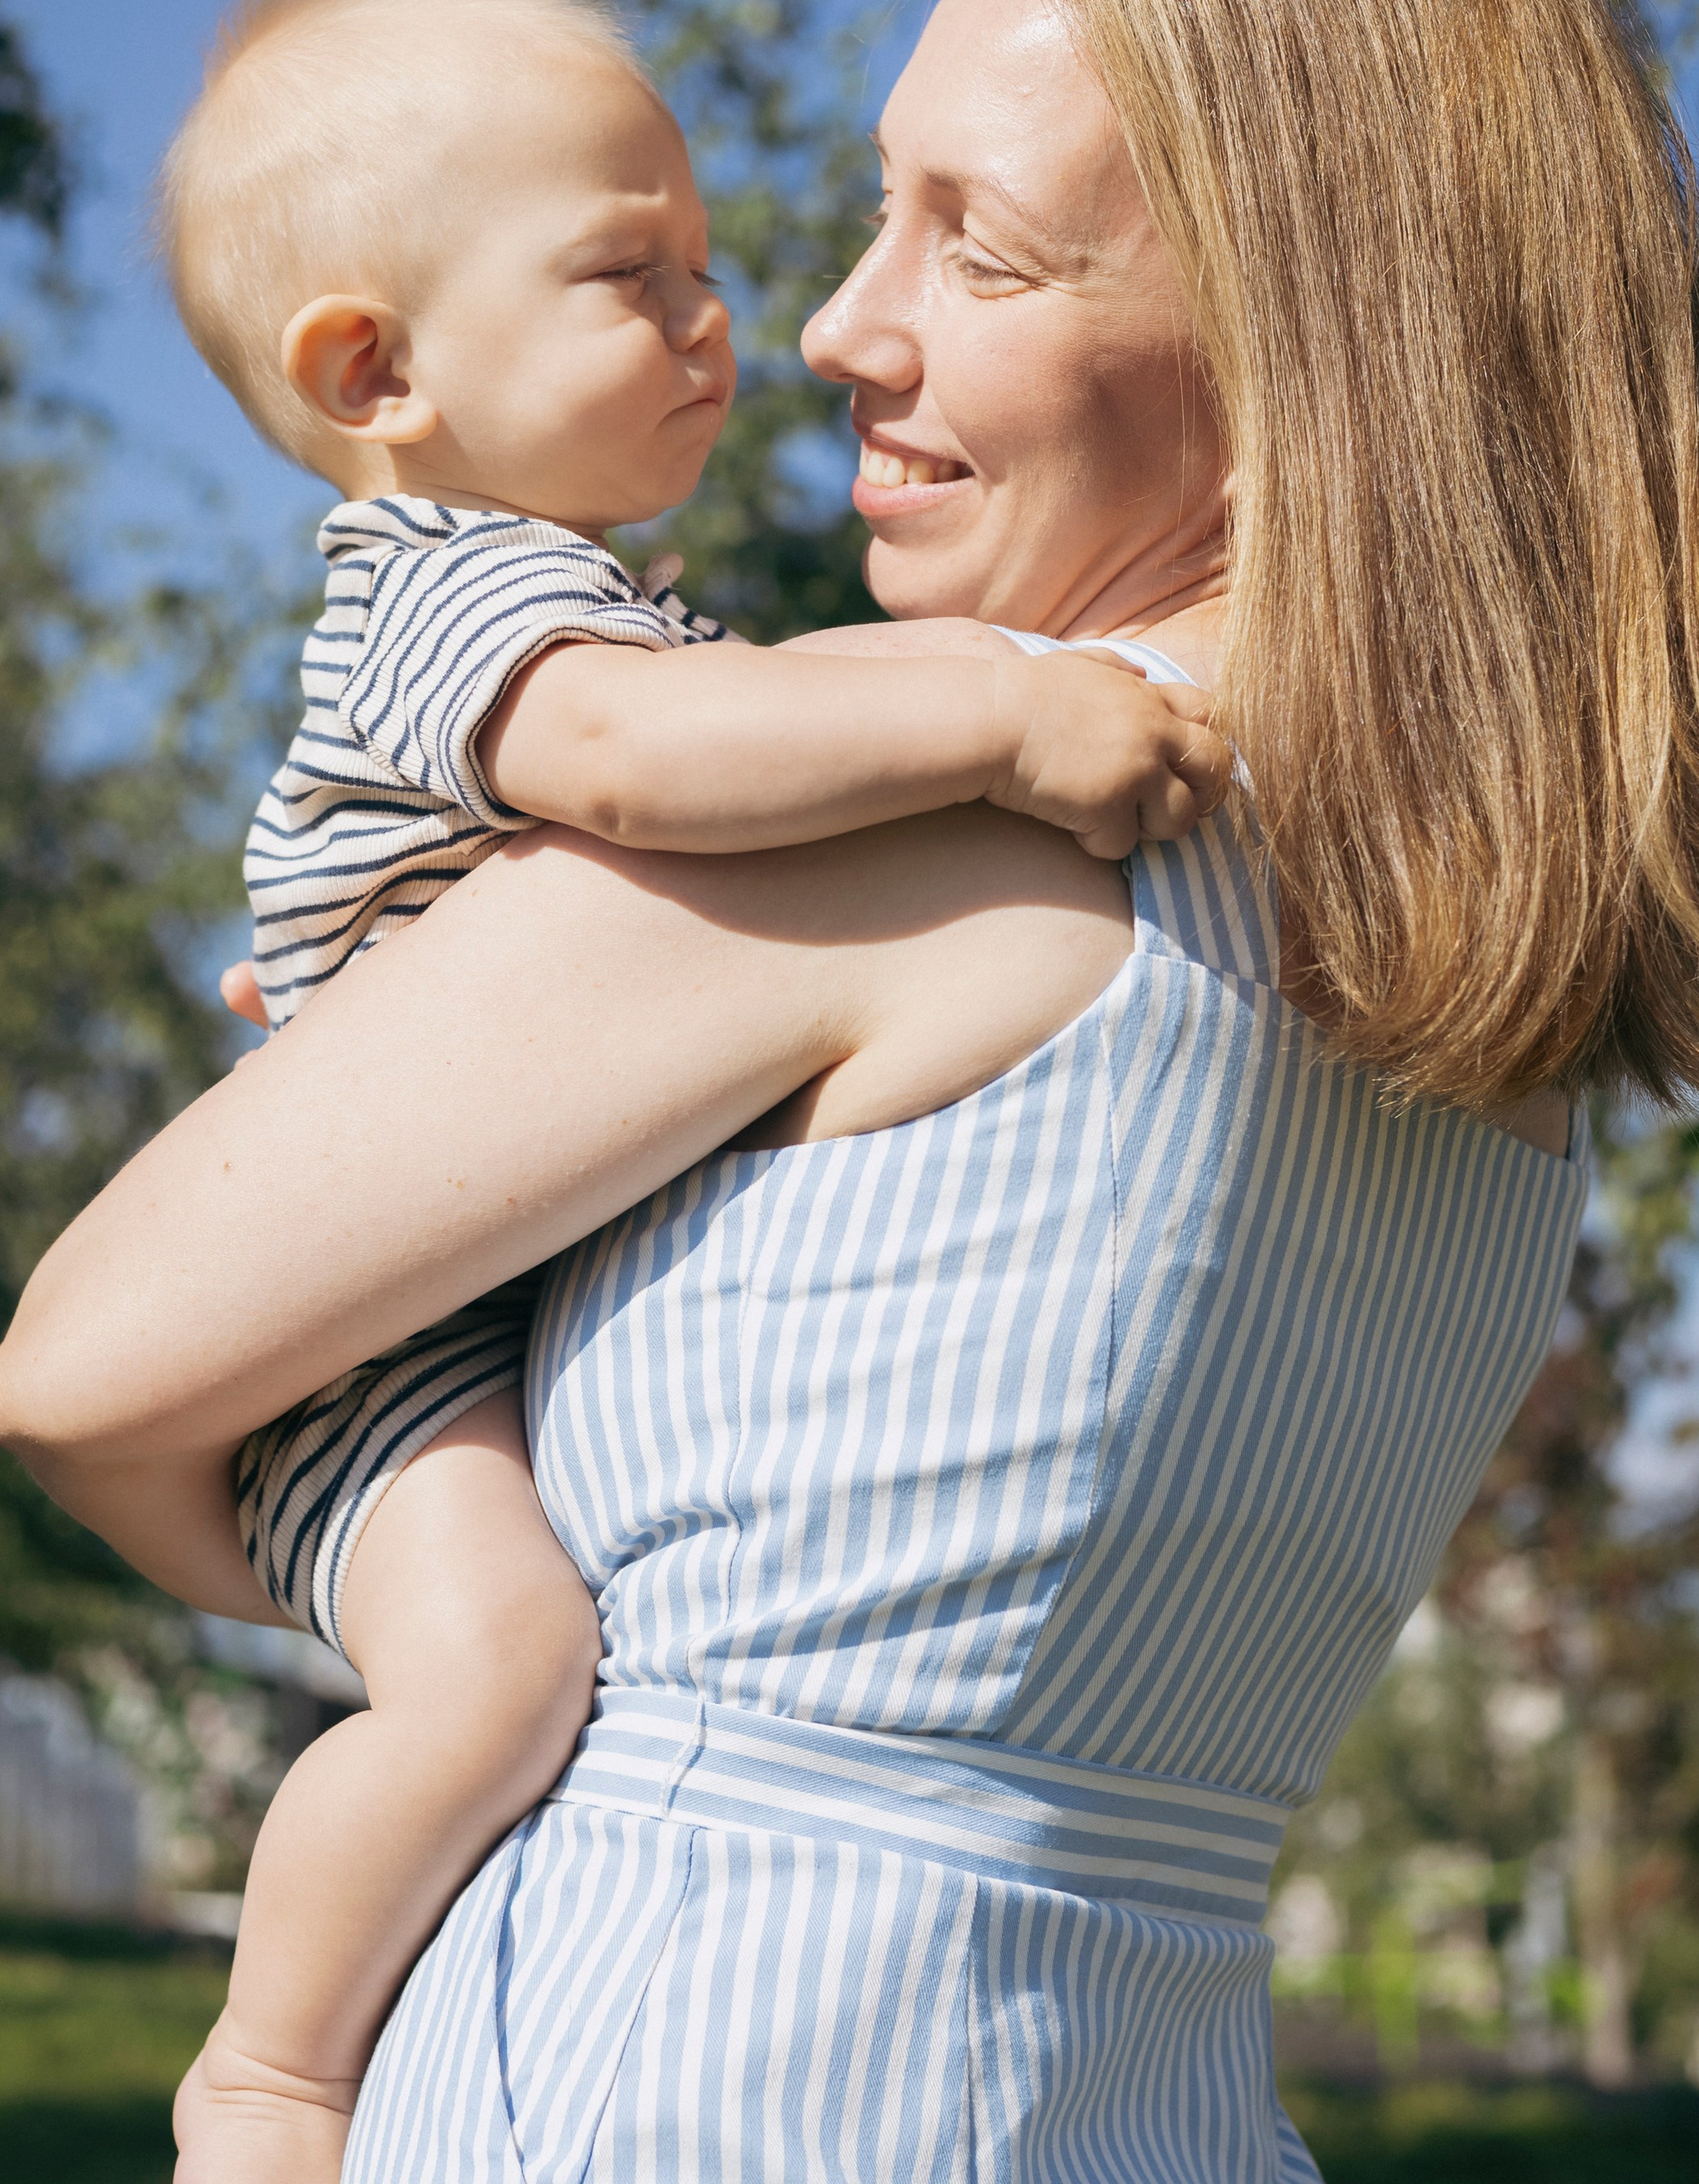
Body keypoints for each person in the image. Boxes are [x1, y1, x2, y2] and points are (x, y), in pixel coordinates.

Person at [0, 0, 1699, 2175]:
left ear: (1298, 333)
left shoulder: (945, 794)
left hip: (678, 2078)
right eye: (879, 209)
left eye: (982, 247)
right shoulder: (1485, 947)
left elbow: (75, 1375)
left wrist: (397, 1528)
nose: (833, 323)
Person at [146, 2, 1225, 2175]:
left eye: (703, 264)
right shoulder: (448, 597)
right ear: (381, 376)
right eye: (626, 275)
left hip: (459, 1292)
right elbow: (645, 770)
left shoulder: (591, 605)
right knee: (497, 1667)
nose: (728, 322)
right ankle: (266, 2069)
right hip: (388, 1345)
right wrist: (1009, 715)